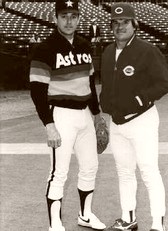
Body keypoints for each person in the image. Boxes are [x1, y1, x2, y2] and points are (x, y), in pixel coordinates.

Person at [29, 0, 106, 231]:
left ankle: (85, 214)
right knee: (58, 172)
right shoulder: (44, 48)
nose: (69, 20)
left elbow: (90, 84)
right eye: (64, 16)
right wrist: (48, 124)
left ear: (79, 18)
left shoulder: (84, 45)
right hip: (60, 116)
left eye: (73, 15)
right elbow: (37, 91)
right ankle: (55, 224)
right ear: (55, 18)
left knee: (90, 166)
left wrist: (97, 114)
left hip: (84, 115)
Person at [100, 3, 168, 231]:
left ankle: (158, 224)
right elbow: (107, 85)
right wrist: (105, 106)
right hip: (118, 123)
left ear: (134, 24)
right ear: (111, 26)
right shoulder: (108, 51)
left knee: (149, 171)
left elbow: (163, 83)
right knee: (124, 171)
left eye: (125, 22)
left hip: (142, 120)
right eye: (116, 23)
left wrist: (140, 100)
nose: (120, 27)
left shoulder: (147, 50)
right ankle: (128, 219)